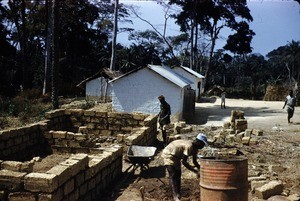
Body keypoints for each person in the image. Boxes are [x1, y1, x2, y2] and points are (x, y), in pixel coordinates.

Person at [161, 133, 208, 201]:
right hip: (169, 154)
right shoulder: (189, 146)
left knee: (178, 174)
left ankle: (178, 194)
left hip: (176, 157)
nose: (203, 146)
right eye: (202, 144)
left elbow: (195, 162)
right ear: (198, 142)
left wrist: (201, 169)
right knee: (173, 174)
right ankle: (175, 196)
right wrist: (195, 171)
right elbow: (184, 162)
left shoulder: (195, 149)